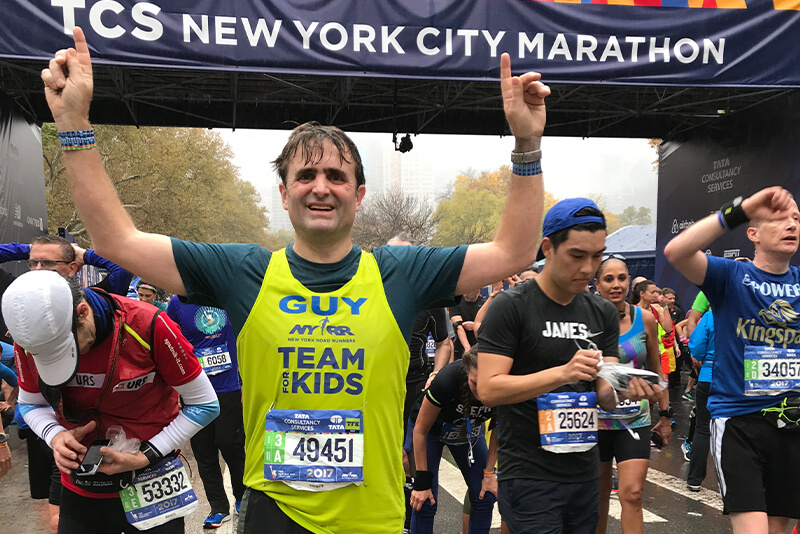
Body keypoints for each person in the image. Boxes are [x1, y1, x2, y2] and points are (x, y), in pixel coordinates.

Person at [40, 28, 549, 534]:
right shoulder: (245, 271)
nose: (321, 187)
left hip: (370, 518)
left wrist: (526, 144)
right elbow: (116, 239)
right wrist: (72, 122)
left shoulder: (400, 272)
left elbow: (514, 251)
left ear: (359, 193)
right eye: (305, 176)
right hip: (274, 515)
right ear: (284, 194)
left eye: (336, 176)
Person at [477, 198, 661, 534]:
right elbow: (489, 389)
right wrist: (563, 372)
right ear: (548, 247)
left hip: (584, 471)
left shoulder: (601, 312)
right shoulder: (511, 307)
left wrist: (627, 391)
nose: (588, 268)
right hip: (529, 471)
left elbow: (604, 392)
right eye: (577, 255)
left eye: (597, 256)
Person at [5, 270, 219, 533]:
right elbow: (30, 404)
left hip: (151, 479)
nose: (67, 363)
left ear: (83, 312)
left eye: (66, 350)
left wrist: (145, 456)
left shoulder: (149, 324)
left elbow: (205, 404)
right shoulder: (30, 340)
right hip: (81, 487)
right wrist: (54, 435)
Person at [665, 187, 800, 533]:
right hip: (739, 423)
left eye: (797, 219)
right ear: (752, 234)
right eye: (780, 219)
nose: (792, 225)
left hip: (791, 424)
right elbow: (677, 251)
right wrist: (740, 210)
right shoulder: (731, 277)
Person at [593, 255, 672, 534]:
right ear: (597, 284)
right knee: (598, 497)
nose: (616, 285)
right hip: (596, 422)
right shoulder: (586, 319)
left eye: (622, 278)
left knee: (632, 495)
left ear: (630, 282)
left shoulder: (646, 319)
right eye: (609, 279)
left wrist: (664, 415)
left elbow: (657, 372)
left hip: (634, 421)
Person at [166, 297, 247, 528]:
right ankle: (218, 507)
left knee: (230, 445)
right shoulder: (177, 303)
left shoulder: (226, 293)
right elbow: (169, 340)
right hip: (194, 389)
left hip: (229, 387)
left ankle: (241, 497)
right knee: (204, 450)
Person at [407, 346, 497, 534]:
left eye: (488, 383)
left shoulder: (506, 382)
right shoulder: (449, 378)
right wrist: (422, 482)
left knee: (486, 494)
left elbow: (499, 429)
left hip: (466, 431)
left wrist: (489, 474)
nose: (482, 392)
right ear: (466, 373)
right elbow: (421, 430)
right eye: (475, 383)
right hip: (430, 431)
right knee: (425, 500)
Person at [0, 237, 133, 296]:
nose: (38, 268)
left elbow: (124, 267)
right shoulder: (18, 292)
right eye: (34, 263)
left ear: (72, 268)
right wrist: (33, 249)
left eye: (48, 262)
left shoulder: (90, 299)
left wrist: (84, 255)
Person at [686, 310, 715, 492]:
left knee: (703, 429)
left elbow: (696, 347)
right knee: (736, 430)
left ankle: (695, 479)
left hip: (708, 375)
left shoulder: (710, 316)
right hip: (737, 379)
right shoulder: (746, 312)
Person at [449, 289, 487, 360]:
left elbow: (489, 326)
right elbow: (458, 326)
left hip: (479, 345)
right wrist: (467, 348)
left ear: (478, 290)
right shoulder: (456, 302)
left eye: (469, 291)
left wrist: (475, 326)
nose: (465, 294)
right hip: (460, 346)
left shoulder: (484, 304)